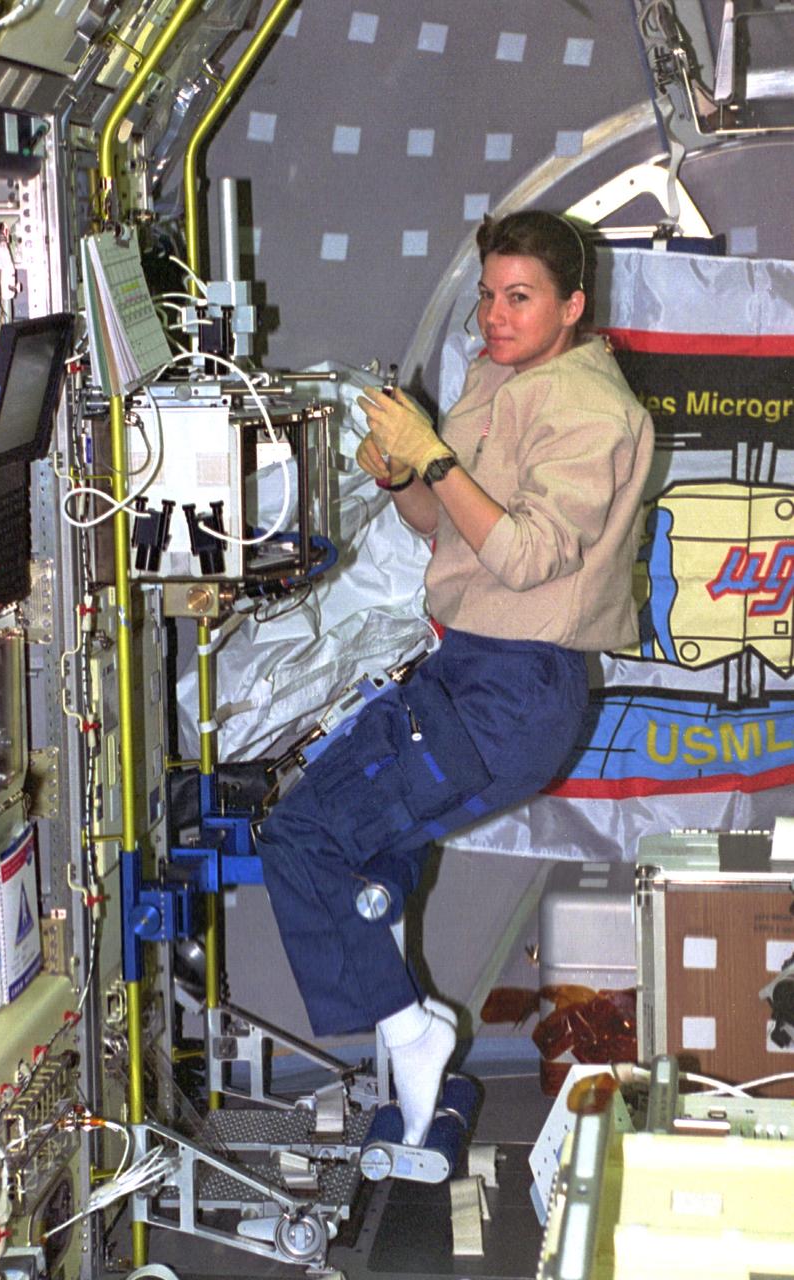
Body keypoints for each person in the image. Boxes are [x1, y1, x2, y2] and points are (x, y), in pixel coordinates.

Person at [256, 209, 654, 1149]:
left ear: (572, 307)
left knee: (300, 836)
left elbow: (521, 558)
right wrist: (404, 474)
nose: (494, 315)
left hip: (511, 692)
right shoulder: (499, 378)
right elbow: (443, 527)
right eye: (486, 294)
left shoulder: (593, 413)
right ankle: (407, 1039)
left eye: (519, 298)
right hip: (468, 672)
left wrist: (433, 449)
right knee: (361, 852)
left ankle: (409, 1027)